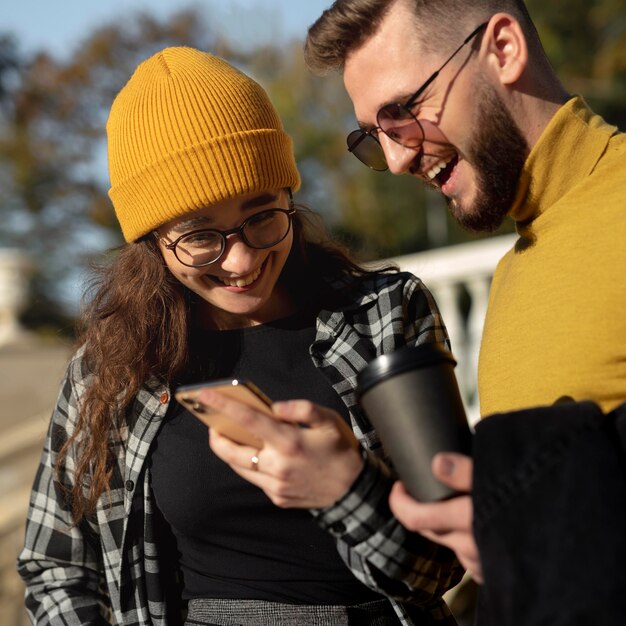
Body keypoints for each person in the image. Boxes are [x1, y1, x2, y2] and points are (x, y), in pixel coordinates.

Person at [16, 46, 465, 626]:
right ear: (152, 243)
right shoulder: (113, 365)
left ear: (290, 197)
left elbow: (445, 563)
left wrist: (347, 488)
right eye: (201, 236)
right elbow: (56, 566)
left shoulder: (386, 314)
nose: (243, 259)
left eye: (262, 216)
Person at [304, 0, 626, 621]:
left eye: (403, 112)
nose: (396, 158)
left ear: (503, 49)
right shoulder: (518, 265)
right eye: (375, 135)